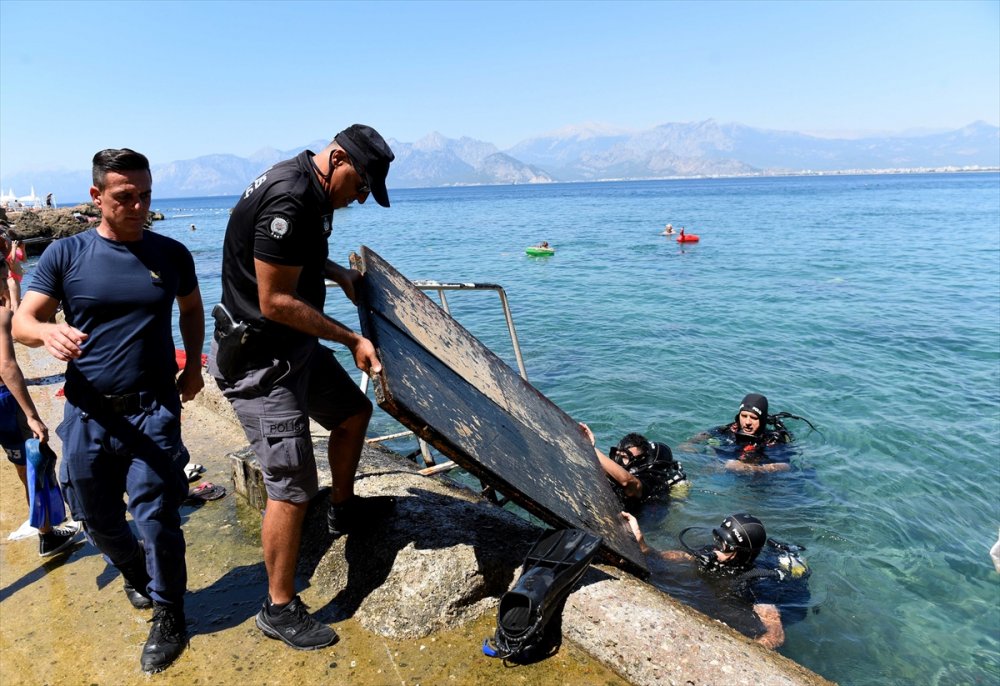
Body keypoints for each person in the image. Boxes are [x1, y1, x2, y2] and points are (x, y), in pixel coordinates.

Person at [12, 148, 205, 674]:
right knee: (94, 515)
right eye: (126, 197)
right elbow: (23, 322)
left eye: (145, 195)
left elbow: (191, 308)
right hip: (87, 413)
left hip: (153, 410)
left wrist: (193, 369)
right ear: (97, 196)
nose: (139, 205)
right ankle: (137, 574)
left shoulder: (171, 254)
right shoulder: (66, 255)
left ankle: (170, 613)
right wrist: (48, 330)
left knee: (157, 516)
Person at [207, 124, 395, 651]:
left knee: (353, 414)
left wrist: (335, 273)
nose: (358, 198)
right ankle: (279, 606)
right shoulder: (289, 196)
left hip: (293, 348)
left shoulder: (312, 191)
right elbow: (274, 301)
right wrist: (351, 337)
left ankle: (342, 509)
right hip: (261, 360)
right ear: (337, 159)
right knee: (290, 486)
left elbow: (298, 253)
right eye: (359, 185)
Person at [622, 511, 810, 650]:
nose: (715, 547)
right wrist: (643, 546)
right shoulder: (717, 553)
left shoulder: (758, 583)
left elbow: (775, 634)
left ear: (740, 555)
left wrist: (745, 651)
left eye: (724, 545)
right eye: (717, 538)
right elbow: (684, 556)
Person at [0, 258, 80, 557]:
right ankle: (47, 534)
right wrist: (33, 416)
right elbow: (7, 367)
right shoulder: (2, 316)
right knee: (31, 467)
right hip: (4, 403)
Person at [683, 393, 807, 473]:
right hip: (724, 465)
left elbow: (785, 465)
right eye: (744, 416)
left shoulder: (772, 439)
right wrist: (689, 444)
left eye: (753, 418)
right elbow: (702, 436)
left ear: (762, 420)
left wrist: (753, 469)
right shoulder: (729, 430)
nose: (747, 422)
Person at [579, 422, 687, 509]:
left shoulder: (650, 481)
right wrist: (589, 445)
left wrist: (592, 449)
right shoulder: (621, 467)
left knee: (687, 450)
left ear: (639, 462)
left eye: (625, 457)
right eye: (618, 455)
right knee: (683, 449)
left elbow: (628, 482)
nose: (619, 461)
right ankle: (696, 440)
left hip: (649, 515)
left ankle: (696, 441)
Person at [2, 225, 26, 311]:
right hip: (12, 278)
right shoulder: (6, 251)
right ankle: (12, 323)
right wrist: (13, 248)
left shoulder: (14, 249)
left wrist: (23, 249)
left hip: (16, 278)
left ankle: (9, 321)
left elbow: (24, 260)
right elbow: (11, 263)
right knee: (15, 303)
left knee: (11, 302)